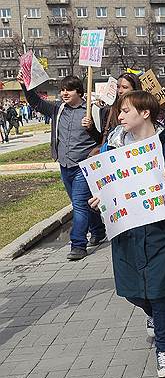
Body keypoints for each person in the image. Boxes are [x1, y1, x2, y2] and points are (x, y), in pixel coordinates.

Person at [88, 90, 165, 378]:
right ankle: (153, 316)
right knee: (130, 290)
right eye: (120, 111)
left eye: (125, 111)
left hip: (161, 233)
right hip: (127, 234)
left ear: (145, 113)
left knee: (159, 292)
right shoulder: (111, 150)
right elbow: (103, 190)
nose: (119, 117)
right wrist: (98, 202)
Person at [22, 75, 106, 261]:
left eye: (69, 90)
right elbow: (35, 102)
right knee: (83, 204)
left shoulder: (93, 111)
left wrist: (91, 127)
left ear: (80, 92)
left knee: (78, 204)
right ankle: (98, 231)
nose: (64, 93)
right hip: (64, 165)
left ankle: (78, 244)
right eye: (62, 90)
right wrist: (24, 83)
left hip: (83, 166)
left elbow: (103, 138)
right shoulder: (58, 109)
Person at [100, 72, 141, 144]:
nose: (120, 91)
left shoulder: (142, 110)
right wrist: (90, 128)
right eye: (118, 87)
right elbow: (101, 138)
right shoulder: (109, 111)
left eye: (125, 87)